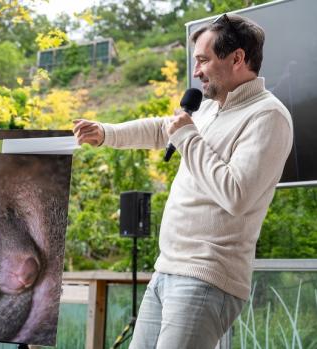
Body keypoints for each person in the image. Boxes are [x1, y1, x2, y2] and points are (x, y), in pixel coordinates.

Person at [74, 14, 293, 348]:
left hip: (207, 278)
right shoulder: (207, 109)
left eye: (203, 60)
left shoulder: (268, 115)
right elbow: (163, 128)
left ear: (237, 58)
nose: (196, 71)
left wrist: (189, 138)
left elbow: (236, 194)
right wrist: (106, 132)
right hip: (166, 271)